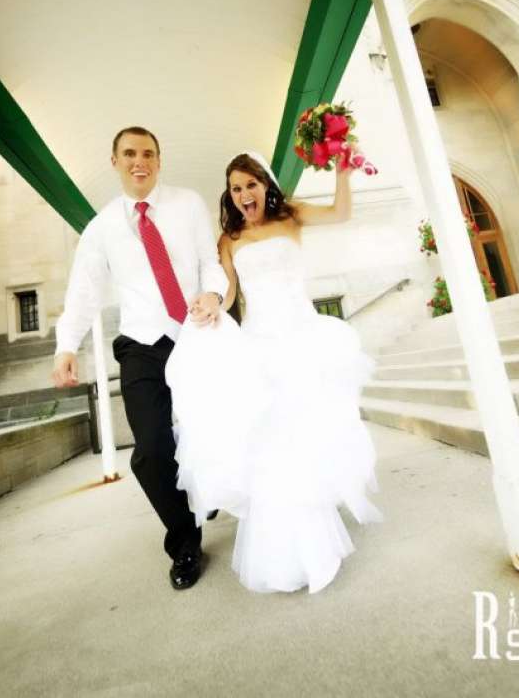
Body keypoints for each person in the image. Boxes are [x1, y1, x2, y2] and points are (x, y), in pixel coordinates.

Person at [166, 151, 382, 594]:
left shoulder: (293, 215)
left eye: (251, 184)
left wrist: (343, 168)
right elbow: (228, 293)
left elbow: (341, 213)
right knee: (274, 439)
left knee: (309, 428)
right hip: (261, 345)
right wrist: (210, 303)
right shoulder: (229, 238)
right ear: (230, 195)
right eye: (236, 188)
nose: (244, 194)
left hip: (303, 338)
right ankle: (295, 538)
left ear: (266, 184)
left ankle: (316, 508)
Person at [52, 126, 227, 590]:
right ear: (114, 161)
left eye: (147, 153)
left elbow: (210, 261)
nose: (139, 161)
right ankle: (185, 542)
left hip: (193, 333)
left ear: (159, 159)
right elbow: (84, 291)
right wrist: (66, 345)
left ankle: (209, 492)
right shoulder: (102, 227)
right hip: (140, 345)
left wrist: (212, 292)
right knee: (151, 451)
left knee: (213, 431)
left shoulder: (187, 204)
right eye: (129, 153)